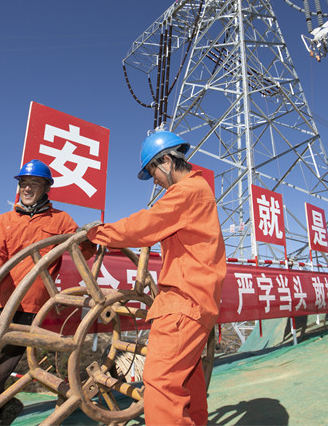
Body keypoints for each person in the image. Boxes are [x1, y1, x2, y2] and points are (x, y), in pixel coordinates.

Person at [84, 130, 227, 426]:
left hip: (183, 303)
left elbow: (144, 225)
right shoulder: (200, 190)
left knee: (161, 383)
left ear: (165, 161)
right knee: (187, 381)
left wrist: (96, 233)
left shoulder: (186, 192)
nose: (156, 181)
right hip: (198, 303)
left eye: (153, 172)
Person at [0, 159, 95, 424]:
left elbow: (83, 251)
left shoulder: (61, 219)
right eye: (23, 183)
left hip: (28, 307)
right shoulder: (4, 220)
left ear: (46, 188)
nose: (27, 188)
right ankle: (4, 408)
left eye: (34, 183)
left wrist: (87, 237)